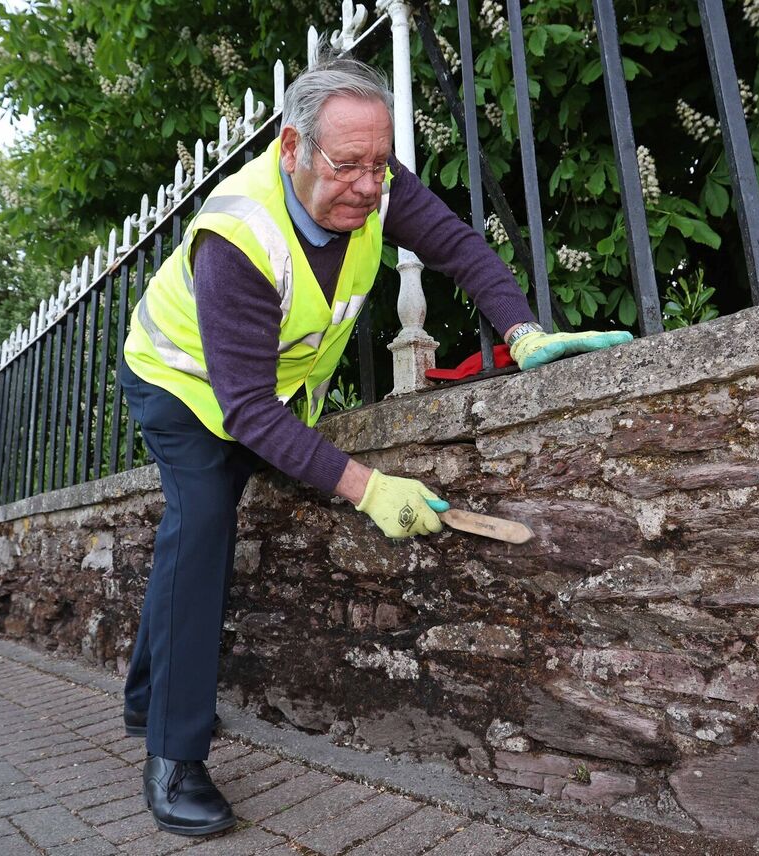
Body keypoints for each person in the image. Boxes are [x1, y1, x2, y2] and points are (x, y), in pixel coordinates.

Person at [117, 54, 631, 836]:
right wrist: (368, 487)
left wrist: (523, 332)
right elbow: (247, 413)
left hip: (259, 389)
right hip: (178, 382)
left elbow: (459, 246)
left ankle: (144, 697)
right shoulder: (236, 237)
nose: (367, 185)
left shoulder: (377, 180)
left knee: (192, 532)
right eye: (347, 164)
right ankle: (174, 754)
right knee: (205, 520)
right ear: (292, 148)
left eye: (379, 163)